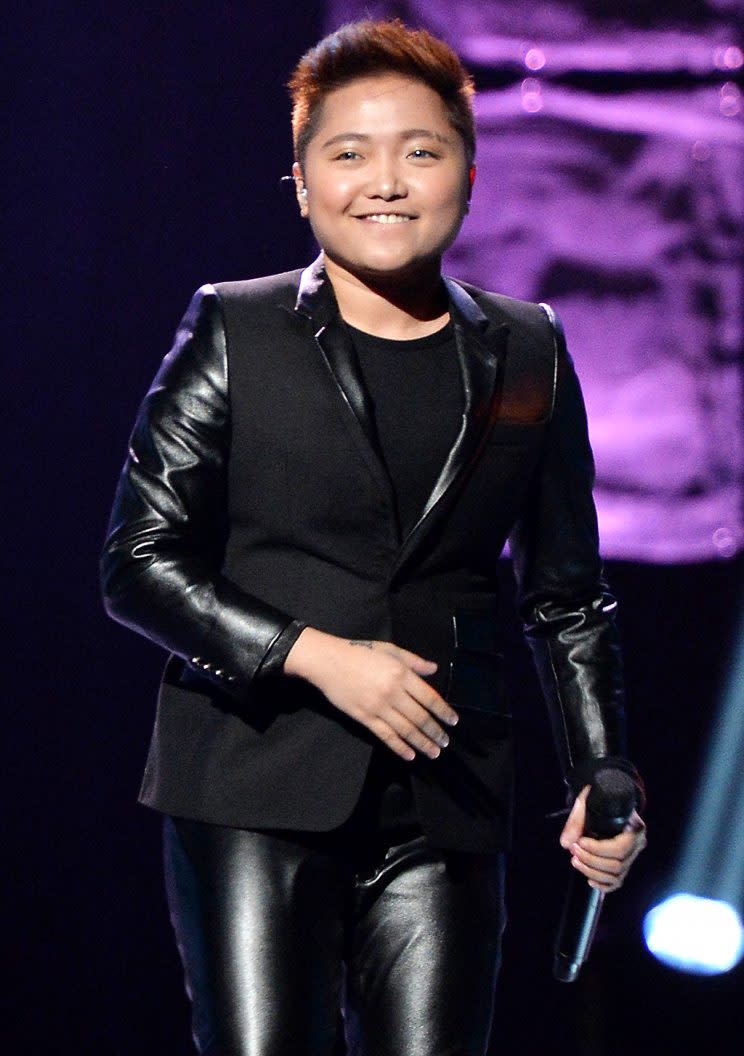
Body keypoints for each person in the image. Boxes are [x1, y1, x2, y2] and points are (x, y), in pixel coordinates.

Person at [101, 18, 646, 1056]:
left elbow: (566, 593)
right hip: (254, 783)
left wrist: (604, 768)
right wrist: (316, 658)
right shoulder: (234, 327)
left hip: (448, 790)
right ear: (302, 183)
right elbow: (138, 560)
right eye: (348, 153)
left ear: (469, 177)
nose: (385, 181)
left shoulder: (528, 348)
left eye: (421, 150)